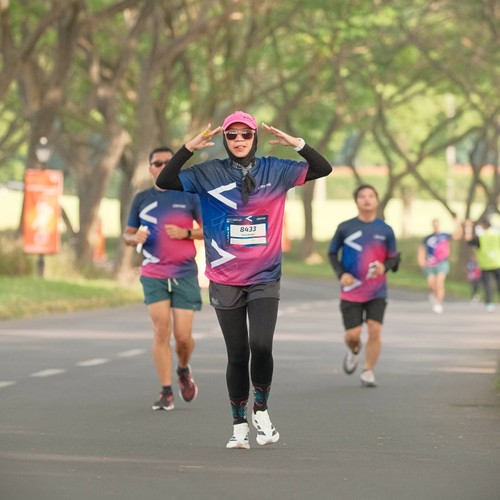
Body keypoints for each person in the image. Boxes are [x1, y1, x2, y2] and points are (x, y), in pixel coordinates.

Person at [156, 111, 332, 449]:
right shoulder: (208, 173)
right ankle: (239, 425)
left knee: (261, 345)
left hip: (265, 275)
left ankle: (260, 409)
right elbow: (165, 181)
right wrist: (188, 148)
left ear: (255, 137)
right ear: (225, 139)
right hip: (225, 277)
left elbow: (323, 169)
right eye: (232, 135)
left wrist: (298, 144)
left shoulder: (276, 170)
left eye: (246, 134)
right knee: (237, 354)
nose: (239, 140)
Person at [123, 146, 204, 411]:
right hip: (154, 273)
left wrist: (186, 234)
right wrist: (134, 238)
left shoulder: (190, 195)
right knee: (161, 331)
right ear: (150, 169)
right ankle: (166, 391)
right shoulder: (142, 198)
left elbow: (209, 230)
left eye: (168, 162)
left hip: (184, 273)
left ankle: (183, 368)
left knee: (183, 337)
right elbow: (127, 234)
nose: (163, 167)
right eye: (157, 163)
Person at [328, 185, 400, 388]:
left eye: (371, 196)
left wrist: (384, 267)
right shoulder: (345, 227)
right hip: (351, 290)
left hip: (377, 290)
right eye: (362, 196)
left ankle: (368, 371)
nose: (367, 199)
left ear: (376, 200)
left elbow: (394, 259)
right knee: (353, 335)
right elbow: (332, 253)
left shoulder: (385, 230)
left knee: (375, 329)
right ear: (356, 201)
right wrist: (342, 274)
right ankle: (353, 351)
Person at [417, 216, 462, 314]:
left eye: (437, 224)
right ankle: (433, 294)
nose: (436, 226)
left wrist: (458, 224)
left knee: (439, 283)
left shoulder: (444, 235)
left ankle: (438, 303)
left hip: (442, 262)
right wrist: (421, 260)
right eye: (434, 224)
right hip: (430, 263)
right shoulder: (427, 238)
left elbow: (457, 236)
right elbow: (421, 249)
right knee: (431, 284)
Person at [464, 218, 500, 312]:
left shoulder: (480, 236)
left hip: (485, 264)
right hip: (497, 262)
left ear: (483, 226)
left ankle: (489, 303)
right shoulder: (497, 235)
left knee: (487, 285)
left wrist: (468, 228)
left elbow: (468, 241)